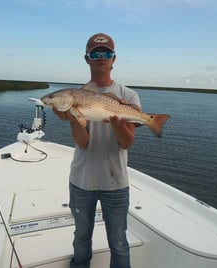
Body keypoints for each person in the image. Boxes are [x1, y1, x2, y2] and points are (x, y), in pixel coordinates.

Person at [53, 33, 141, 268]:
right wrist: (73, 119)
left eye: (106, 53)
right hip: (83, 181)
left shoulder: (128, 96)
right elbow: (82, 143)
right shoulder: (76, 95)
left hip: (116, 182)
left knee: (119, 242)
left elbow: (127, 142)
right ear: (87, 59)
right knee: (81, 238)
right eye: (95, 53)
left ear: (113, 59)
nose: (101, 57)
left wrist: (117, 123)